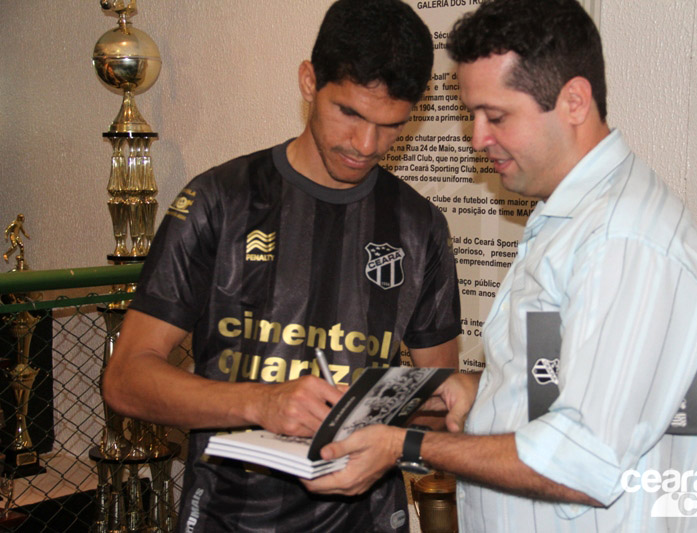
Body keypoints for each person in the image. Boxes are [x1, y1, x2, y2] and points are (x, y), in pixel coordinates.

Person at [303, 0, 697, 531]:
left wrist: (409, 444)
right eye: (473, 115)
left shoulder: (625, 242)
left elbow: (581, 462)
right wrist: (490, 394)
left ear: (574, 102)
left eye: (496, 116)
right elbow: (563, 389)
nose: (477, 139)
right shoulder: (569, 220)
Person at [102, 1, 461, 531]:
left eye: (391, 126)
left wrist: (395, 426)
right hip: (228, 517)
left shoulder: (420, 227)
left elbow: (439, 400)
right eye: (350, 113)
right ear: (309, 81)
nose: (367, 146)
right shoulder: (217, 201)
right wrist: (261, 402)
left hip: (365, 520)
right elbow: (127, 379)